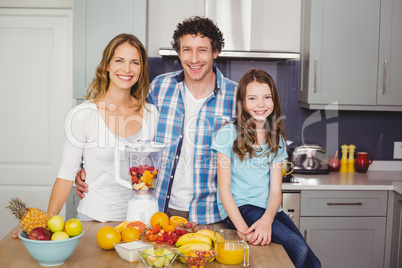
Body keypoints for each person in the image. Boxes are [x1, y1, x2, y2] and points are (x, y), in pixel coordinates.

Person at [75, 16, 238, 224]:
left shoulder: (237, 96)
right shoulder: (159, 87)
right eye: (187, 49)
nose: (194, 58)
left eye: (202, 50)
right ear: (179, 53)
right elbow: (128, 132)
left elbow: (253, 153)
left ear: (215, 52)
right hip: (158, 212)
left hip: (212, 216)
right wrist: (86, 165)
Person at [211, 69, 321, 268]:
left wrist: (267, 219)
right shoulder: (228, 134)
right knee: (298, 248)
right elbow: (224, 190)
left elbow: (275, 190)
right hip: (242, 208)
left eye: (266, 97)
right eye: (252, 98)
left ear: (274, 100)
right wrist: (244, 231)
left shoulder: (276, 137)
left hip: (269, 209)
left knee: (312, 261)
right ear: (242, 103)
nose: (260, 104)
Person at [47, 33, 158, 222]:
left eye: (135, 62)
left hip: (141, 223)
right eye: (119, 60)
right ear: (107, 65)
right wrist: (44, 224)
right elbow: (66, 175)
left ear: (141, 69)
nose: (127, 69)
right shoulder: (84, 114)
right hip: (93, 220)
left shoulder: (151, 113)